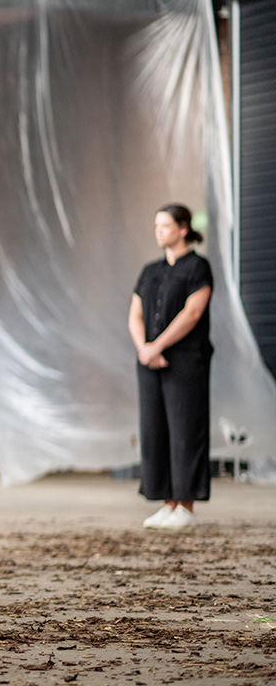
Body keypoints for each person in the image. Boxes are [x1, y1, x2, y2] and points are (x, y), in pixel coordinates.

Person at [128, 203, 213, 530]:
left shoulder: (198, 268)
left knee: (185, 431)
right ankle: (166, 502)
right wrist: (144, 350)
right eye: (156, 226)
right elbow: (134, 314)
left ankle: (186, 506)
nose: (158, 231)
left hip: (185, 363)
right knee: (155, 431)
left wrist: (158, 346)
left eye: (164, 226)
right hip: (150, 363)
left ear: (182, 229)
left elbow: (192, 314)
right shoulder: (150, 271)